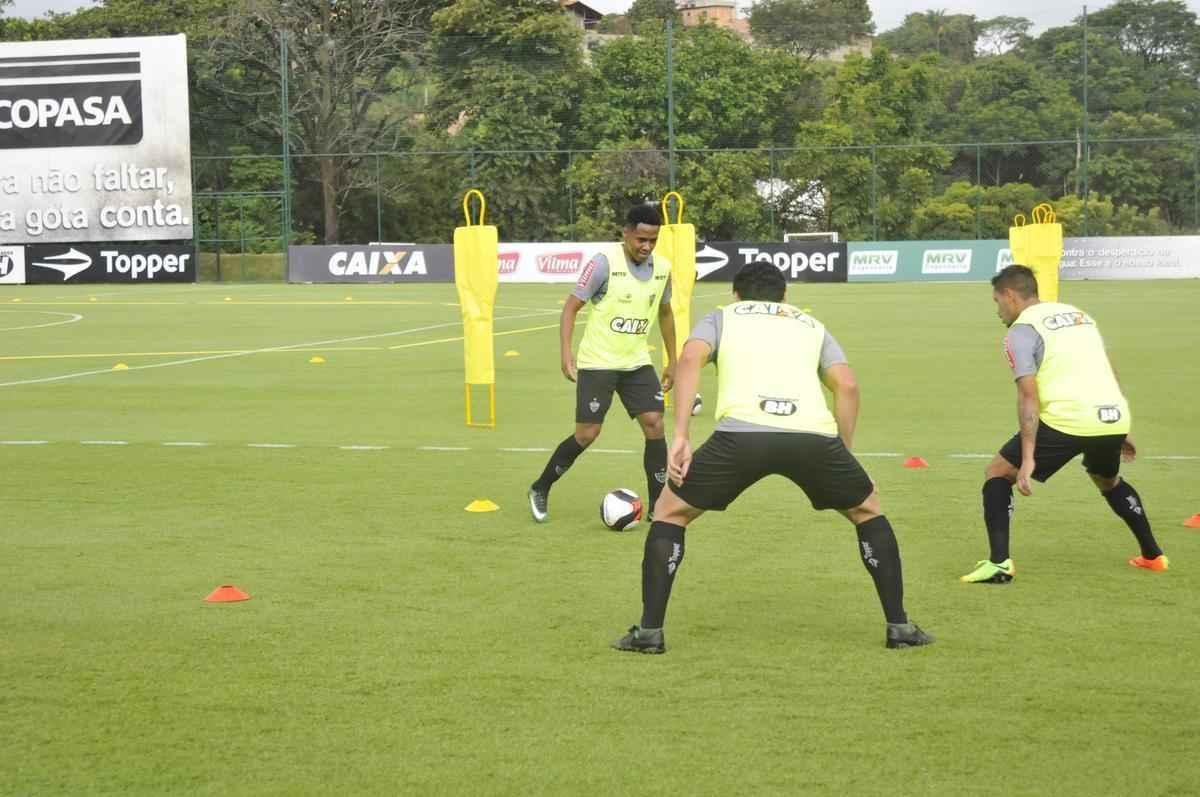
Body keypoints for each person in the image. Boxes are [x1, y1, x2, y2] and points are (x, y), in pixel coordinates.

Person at [612, 261, 932, 653]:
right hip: (813, 437)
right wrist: (842, 452)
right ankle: (899, 626)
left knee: (669, 513)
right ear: (785, 296)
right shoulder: (811, 325)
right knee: (867, 509)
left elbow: (691, 359)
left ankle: (648, 633)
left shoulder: (722, 316)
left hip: (740, 435)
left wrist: (681, 434)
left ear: (737, 295)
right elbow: (846, 386)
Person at [960, 265, 1168, 583]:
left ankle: (999, 564)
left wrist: (1028, 458)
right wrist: (1121, 426)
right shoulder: (1077, 315)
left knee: (998, 473)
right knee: (1107, 479)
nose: (997, 310)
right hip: (1111, 415)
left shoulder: (1020, 332)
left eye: (996, 301)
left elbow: (1028, 397)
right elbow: (1106, 366)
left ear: (1010, 295)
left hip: (1067, 420)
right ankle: (1153, 556)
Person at [528, 204, 678, 523]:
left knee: (655, 423)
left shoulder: (663, 269)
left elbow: (666, 313)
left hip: (637, 362)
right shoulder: (603, 263)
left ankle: (658, 506)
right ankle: (540, 487)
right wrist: (566, 354)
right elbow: (570, 308)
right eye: (640, 239)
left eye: (653, 240)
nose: (646, 246)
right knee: (587, 433)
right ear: (625, 233)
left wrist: (672, 360)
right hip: (598, 362)